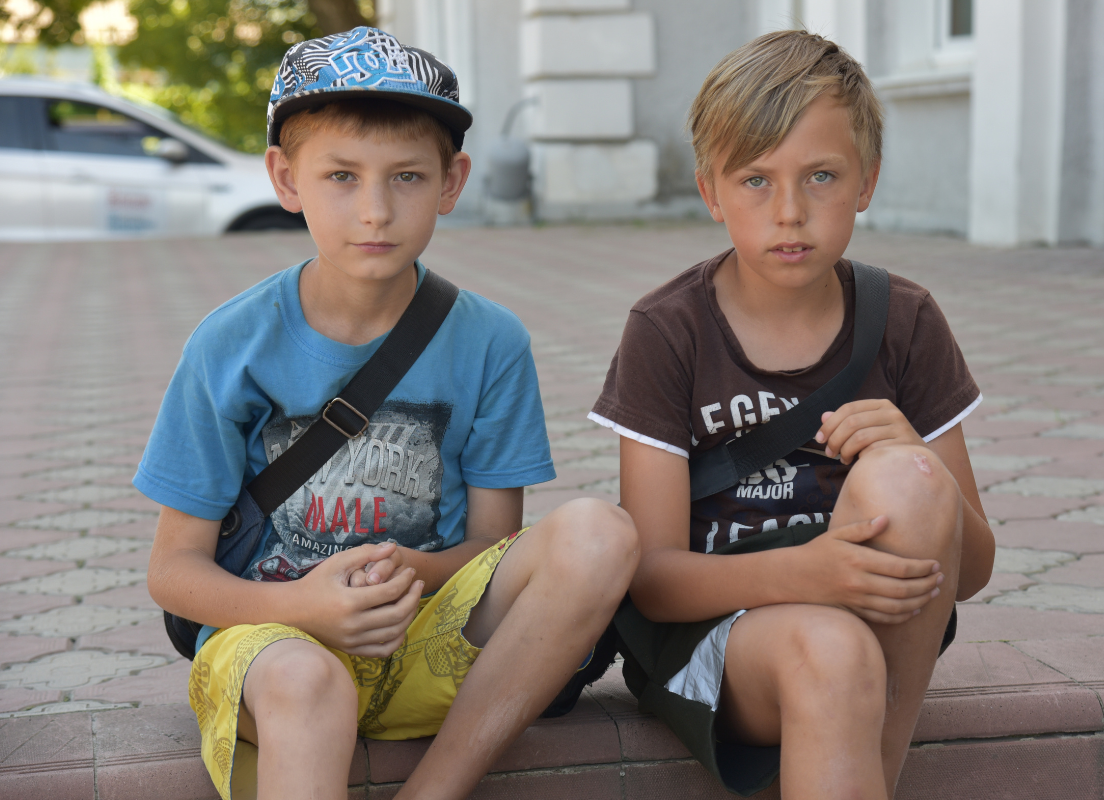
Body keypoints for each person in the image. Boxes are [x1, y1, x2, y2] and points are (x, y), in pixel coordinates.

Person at [136, 27, 637, 800]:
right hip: (277, 648)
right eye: (341, 175)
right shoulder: (229, 345)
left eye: (405, 176)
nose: (375, 210)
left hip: (427, 643)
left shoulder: (491, 341)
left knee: (601, 533)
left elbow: (490, 547)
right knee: (309, 684)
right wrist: (306, 606)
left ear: (450, 181)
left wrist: (410, 572)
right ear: (285, 177)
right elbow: (173, 573)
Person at [589, 30, 995, 799]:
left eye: (820, 176)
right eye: (755, 181)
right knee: (829, 647)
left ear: (866, 180)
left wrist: (919, 456)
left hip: (876, 624)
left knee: (907, 479)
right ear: (710, 191)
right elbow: (652, 581)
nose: (789, 212)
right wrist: (812, 572)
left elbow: (969, 572)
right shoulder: (668, 328)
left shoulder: (905, 320)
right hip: (715, 639)